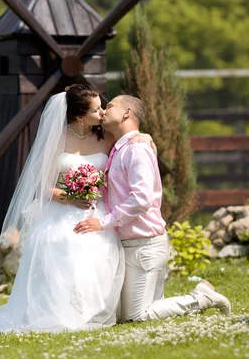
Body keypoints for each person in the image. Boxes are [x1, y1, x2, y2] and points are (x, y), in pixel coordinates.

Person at [0, 86, 153, 337]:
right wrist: (70, 197)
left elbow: (129, 142)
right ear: (80, 116)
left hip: (97, 210)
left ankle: (92, 311)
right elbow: (43, 186)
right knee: (60, 241)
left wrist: (146, 137)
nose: (102, 113)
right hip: (62, 208)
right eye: (96, 109)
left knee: (97, 249)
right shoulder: (56, 139)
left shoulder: (106, 138)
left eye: (102, 107)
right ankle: (59, 311)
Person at [74, 95, 231, 321]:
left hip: (144, 245)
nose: (103, 111)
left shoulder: (136, 149)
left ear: (127, 113)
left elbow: (141, 199)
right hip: (128, 244)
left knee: (136, 315)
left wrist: (103, 222)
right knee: (115, 315)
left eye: (109, 106)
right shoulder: (120, 148)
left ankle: (201, 298)